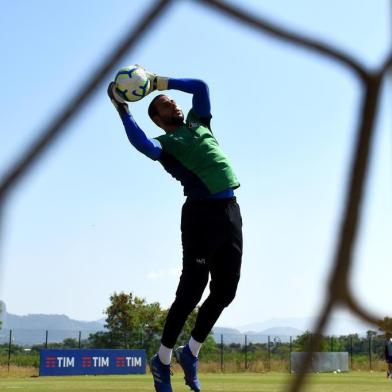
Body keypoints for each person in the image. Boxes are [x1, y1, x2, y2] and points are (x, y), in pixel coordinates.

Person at [108, 67, 243, 392]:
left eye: (173, 102)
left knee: (226, 291)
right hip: (199, 216)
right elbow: (141, 143)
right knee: (191, 292)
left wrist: (158, 82)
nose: (174, 106)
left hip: (229, 211)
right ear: (157, 119)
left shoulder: (200, 122)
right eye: (166, 105)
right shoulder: (165, 145)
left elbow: (201, 86)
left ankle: (190, 353)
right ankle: (163, 359)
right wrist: (123, 110)